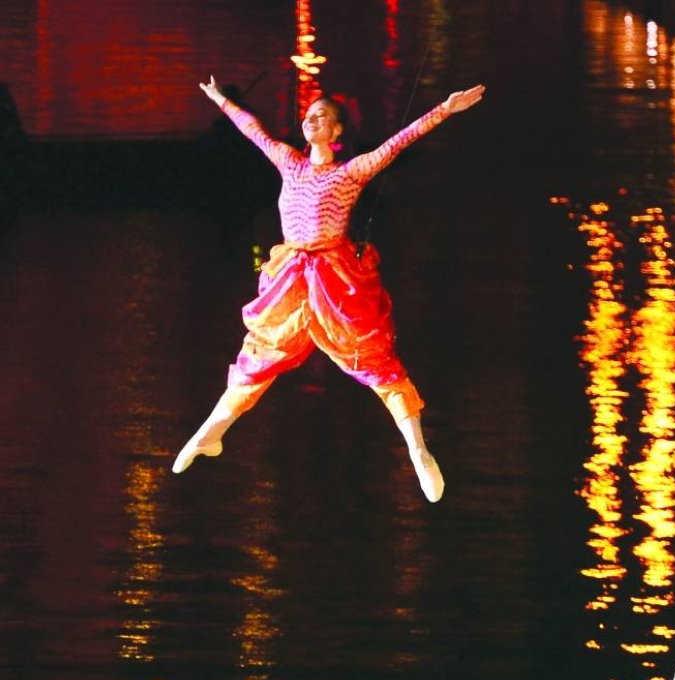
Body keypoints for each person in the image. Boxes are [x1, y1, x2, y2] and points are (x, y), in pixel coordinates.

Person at [172, 76, 486, 501]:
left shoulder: (351, 173)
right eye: (307, 115)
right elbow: (254, 132)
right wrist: (220, 100)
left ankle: (418, 450)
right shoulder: (289, 162)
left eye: (321, 116)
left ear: (337, 131)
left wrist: (446, 109)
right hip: (290, 276)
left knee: (375, 359)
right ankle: (210, 433)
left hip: (334, 278)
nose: (310, 120)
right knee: (260, 353)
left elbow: (398, 143)